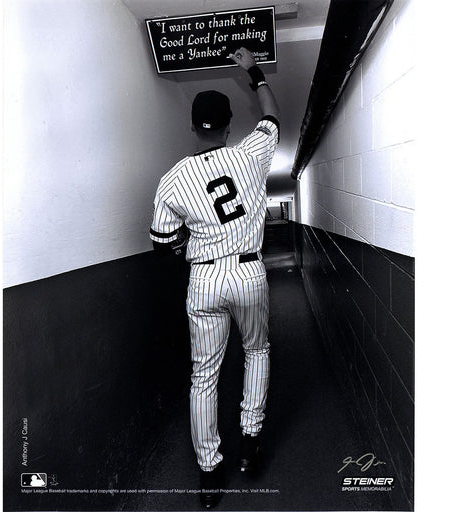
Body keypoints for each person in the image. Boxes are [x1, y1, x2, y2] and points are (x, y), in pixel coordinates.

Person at [150, 47, 280, 509]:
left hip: (203, 279)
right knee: (257, 350)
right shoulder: (250, 155)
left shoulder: (172, 179)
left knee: (203, 376)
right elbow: (272, 117)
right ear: (228, 125)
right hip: (247, 271)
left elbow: (162, 243)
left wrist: (193, 250)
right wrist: (253, 72)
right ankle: (249, 442)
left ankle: (209, 472)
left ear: (192, 127)